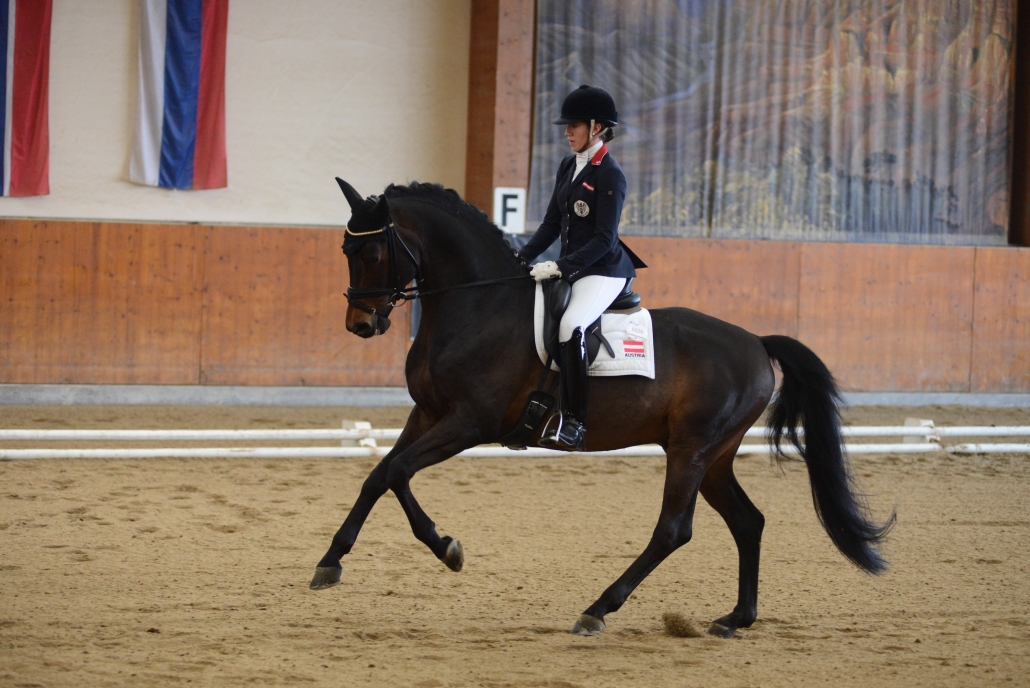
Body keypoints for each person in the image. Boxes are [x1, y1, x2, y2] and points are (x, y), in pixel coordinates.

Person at [517, 84, 647, 451]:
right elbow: (551, 224)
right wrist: (522, 258)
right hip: (575, 266)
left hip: (604, 269)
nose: (566, 132)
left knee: (571, 325)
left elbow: (605, 240)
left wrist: (559, 266)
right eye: (567, 126)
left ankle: (575, 422)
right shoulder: (567, 166)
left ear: (596, 127)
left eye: (573, 125)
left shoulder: (611, 175)